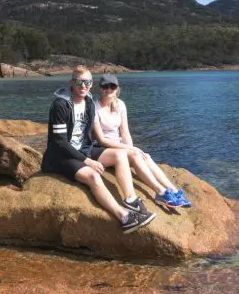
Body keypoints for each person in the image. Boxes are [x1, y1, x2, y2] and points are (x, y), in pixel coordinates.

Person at [41, 65, 156, 234]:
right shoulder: (61, 105)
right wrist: (87, 161)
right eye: (79, 81)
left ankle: (131, 200)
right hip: (60, 156)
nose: (83, 86)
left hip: (83, 149)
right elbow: (59, 143)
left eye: (87, 82)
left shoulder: (89, 103)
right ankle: (124, 217)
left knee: (120, 154)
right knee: (93, 176)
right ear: (71, 82)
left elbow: (90, 135)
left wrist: (91, 154)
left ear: (91, 83)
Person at [92, 73, 192, 208]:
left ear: (117, 89)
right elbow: (101, 140)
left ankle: (173, 190)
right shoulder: (94, 108)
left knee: (145, 156)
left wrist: (132, 150)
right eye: (105, 86)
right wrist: (132, 151)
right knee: (135, 153)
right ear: (99, 88)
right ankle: (160, 192)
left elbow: (125, 132)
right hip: (104, 149)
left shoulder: (120, 105)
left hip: (120, 147)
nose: (109, 89)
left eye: (112, 86)